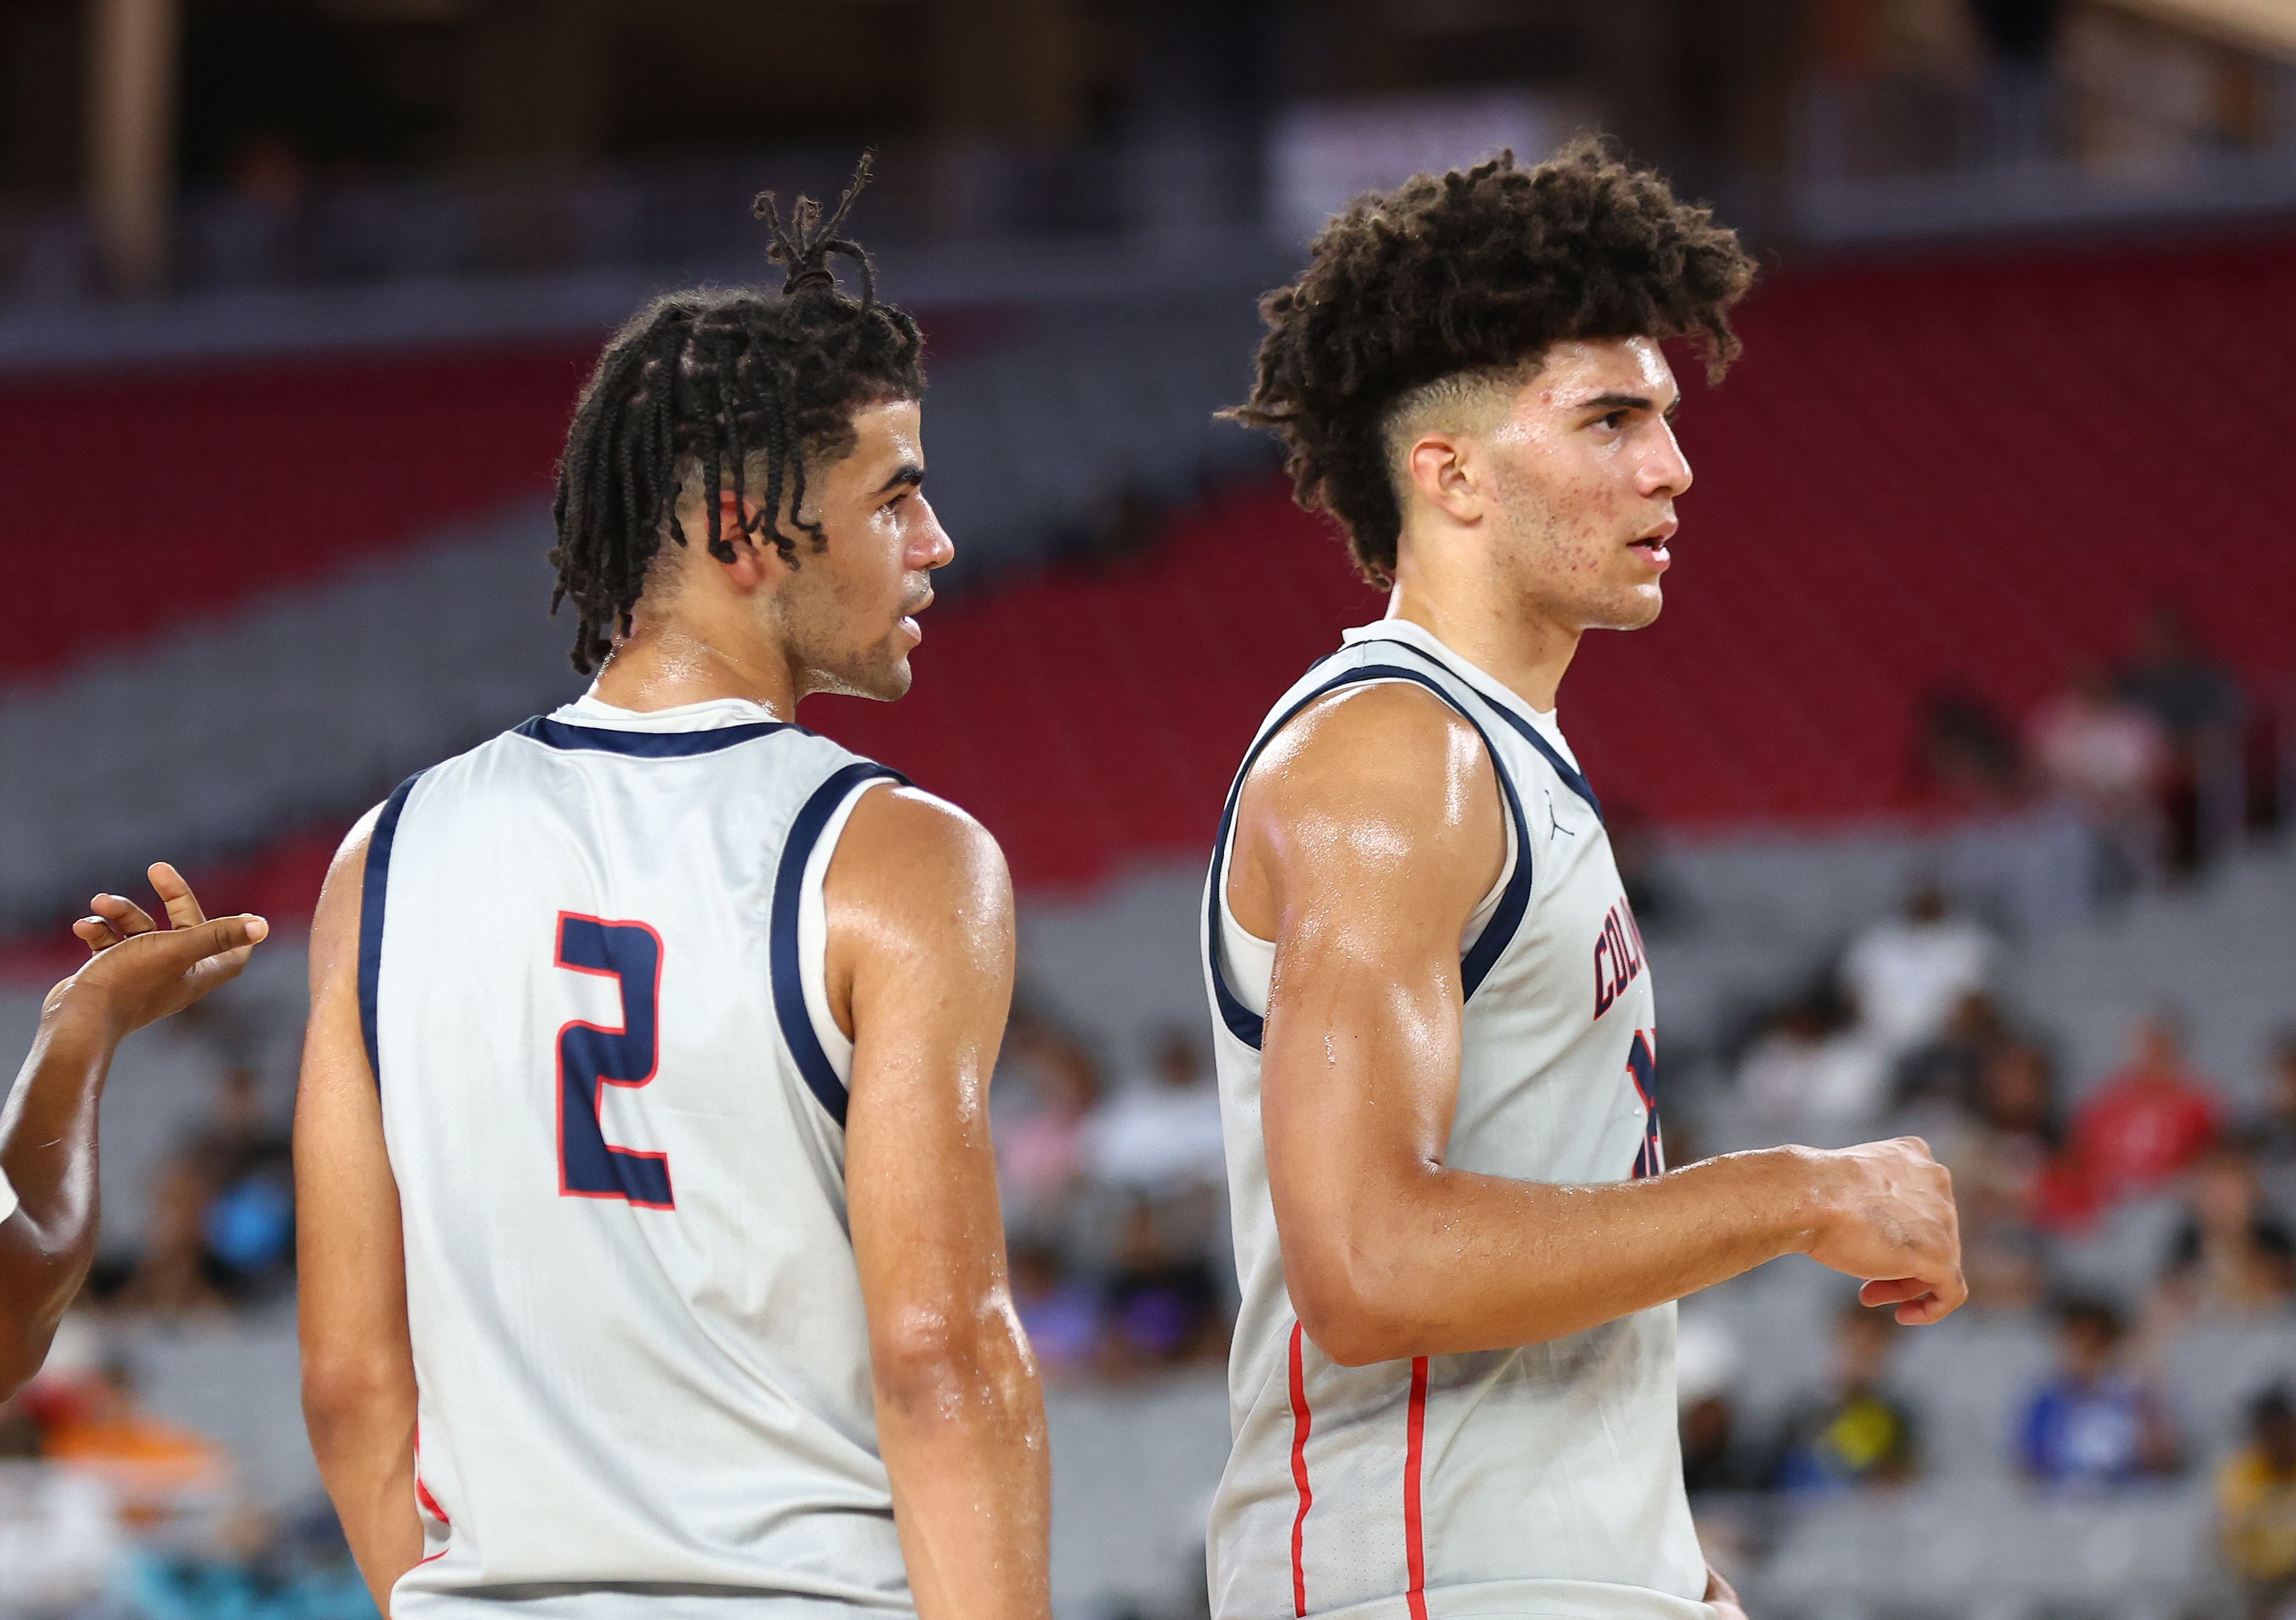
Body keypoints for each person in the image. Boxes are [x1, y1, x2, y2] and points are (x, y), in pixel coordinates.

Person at [1203, 141, 1963, 1620]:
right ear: (1449, 473)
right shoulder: (1391, 757)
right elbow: (1367, 1262)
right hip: (1427, 1578)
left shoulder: (1497, 752)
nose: (1669, 463)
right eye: (1609, 418)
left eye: (1664, 417)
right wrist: (1795, 1190)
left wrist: (1653, 1558)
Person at [293, 162, 1048, 1620]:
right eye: (894, 498)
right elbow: (941, 1353)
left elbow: (349, 1379)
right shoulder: (898, 859)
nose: (937, 541)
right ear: (744, 533)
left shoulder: (379, 858)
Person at [0, 864, 268, 1398]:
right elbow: (12, 1313)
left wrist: (87, 1013)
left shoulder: (240, 1246)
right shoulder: (125, 1277)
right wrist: (89, 1013)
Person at [2066, 1010, 2224, 1211]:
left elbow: (2212, 1161)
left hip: (2174, 1206)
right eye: (2146, 1045)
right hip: (2112, 1208)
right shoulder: (2103, 1103)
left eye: (2160, 1045)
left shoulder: (2200, 1104)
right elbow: (2081, 1161)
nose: (2152, 1054)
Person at [2016, 1296, 2179, 1491]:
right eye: (2076, 1345)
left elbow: (2165, 1461)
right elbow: (2030, 1465)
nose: (2084, 1356)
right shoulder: (2046, 1402)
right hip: (2063, 1503)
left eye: (2093, 1346)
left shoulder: (2138, 1395)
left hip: (2129, 1502)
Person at [1768, 1305, 1919, 1494]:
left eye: (1870, 1353)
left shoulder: (1899, 1419)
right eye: (1854, 1349)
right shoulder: (1799, 1412)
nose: (1859, 1364)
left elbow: (1906, 1484)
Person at [2219, 1387, 2296, 1619]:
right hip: (2261, 1586)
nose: (2276, 1438)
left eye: (2282, 1429)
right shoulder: (2241, 1471)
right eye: (2268, 1431)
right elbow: (2240, 1531)